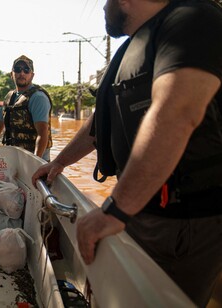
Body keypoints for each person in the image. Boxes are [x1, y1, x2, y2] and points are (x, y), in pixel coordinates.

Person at [32, 0, 222, 306]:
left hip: (179, 219)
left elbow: (178, 110)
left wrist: (115, 210)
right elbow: (98, 126)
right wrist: (59, 162)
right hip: (136, 207)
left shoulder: (192, 17)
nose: (104, 8)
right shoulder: (128, 50)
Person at [0, 55, 52, 161]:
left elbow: (42, 134)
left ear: (32, 75)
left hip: (34, 159)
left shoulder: (38, 97)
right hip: (13, 156)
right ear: (12, 74)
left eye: (26, 70)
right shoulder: (9, 96)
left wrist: (34, 162)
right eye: (17, 69)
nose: (22, 73)